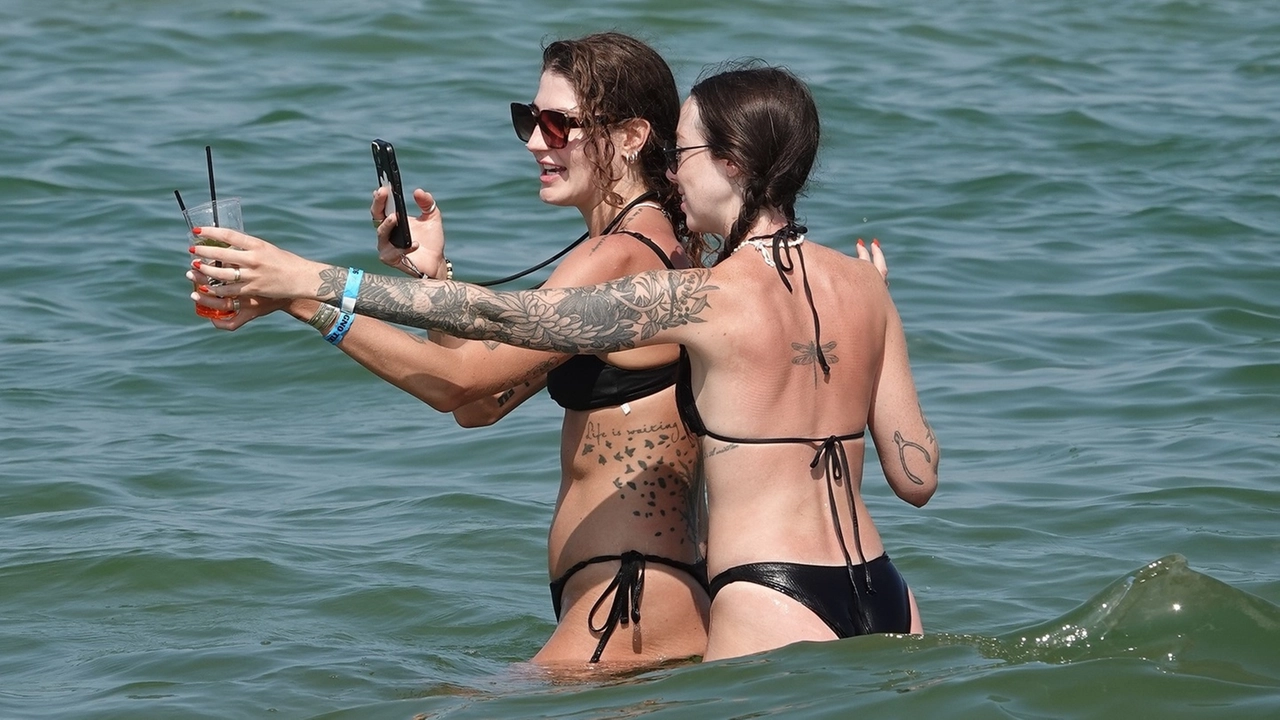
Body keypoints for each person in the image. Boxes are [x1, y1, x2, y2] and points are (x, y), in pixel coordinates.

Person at [190, 63, 929, 662]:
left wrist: (309, 282)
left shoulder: (692, 291)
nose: (675, 172)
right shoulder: (858, 286)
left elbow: (496, 333)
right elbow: (917, 477)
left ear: (731, 162)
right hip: (883, 592)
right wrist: (424, 278)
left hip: (720, 597)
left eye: (687, 152)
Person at [192, 33, 719, 669]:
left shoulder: (619, 254)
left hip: (632, 602)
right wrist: (432, 277)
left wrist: (302, 290)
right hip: (625, 598)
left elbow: (456, 384)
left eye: (558, 124)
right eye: (528, 120)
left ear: (632, 137)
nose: (534, 142)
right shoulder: (631, 247)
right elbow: (481, 403)